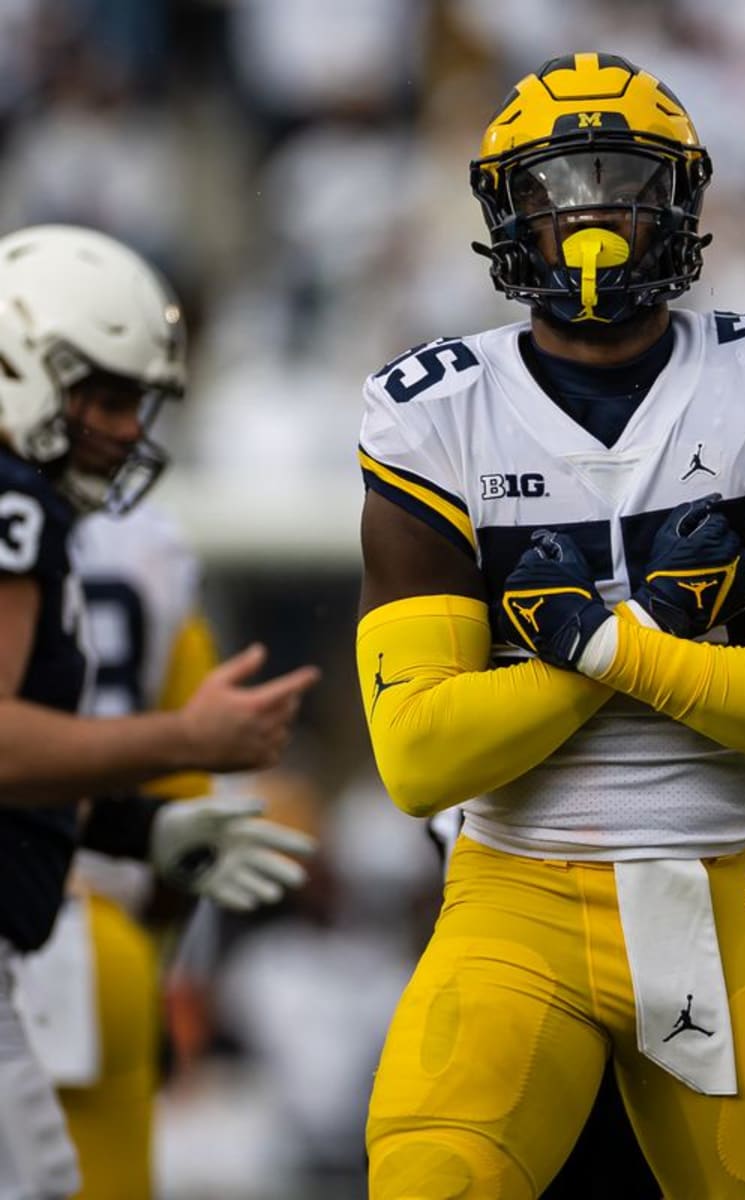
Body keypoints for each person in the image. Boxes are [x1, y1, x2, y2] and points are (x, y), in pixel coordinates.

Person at [356, 53, 745, 1199]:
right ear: (508, 212)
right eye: (558, 187)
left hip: (729, 884)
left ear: (683, 201)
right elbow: (419, 755)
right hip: (518, 892)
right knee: (431, 1182)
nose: (592, 214)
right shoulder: (435, 411)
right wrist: (646, 639)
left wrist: (597, 642)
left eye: (623, 179)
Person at [0, 223, 319, 1199]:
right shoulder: (16, 505)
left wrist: (138, 825)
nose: (127, 430)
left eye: (134, 403)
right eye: (102, 397)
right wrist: (188, 740)